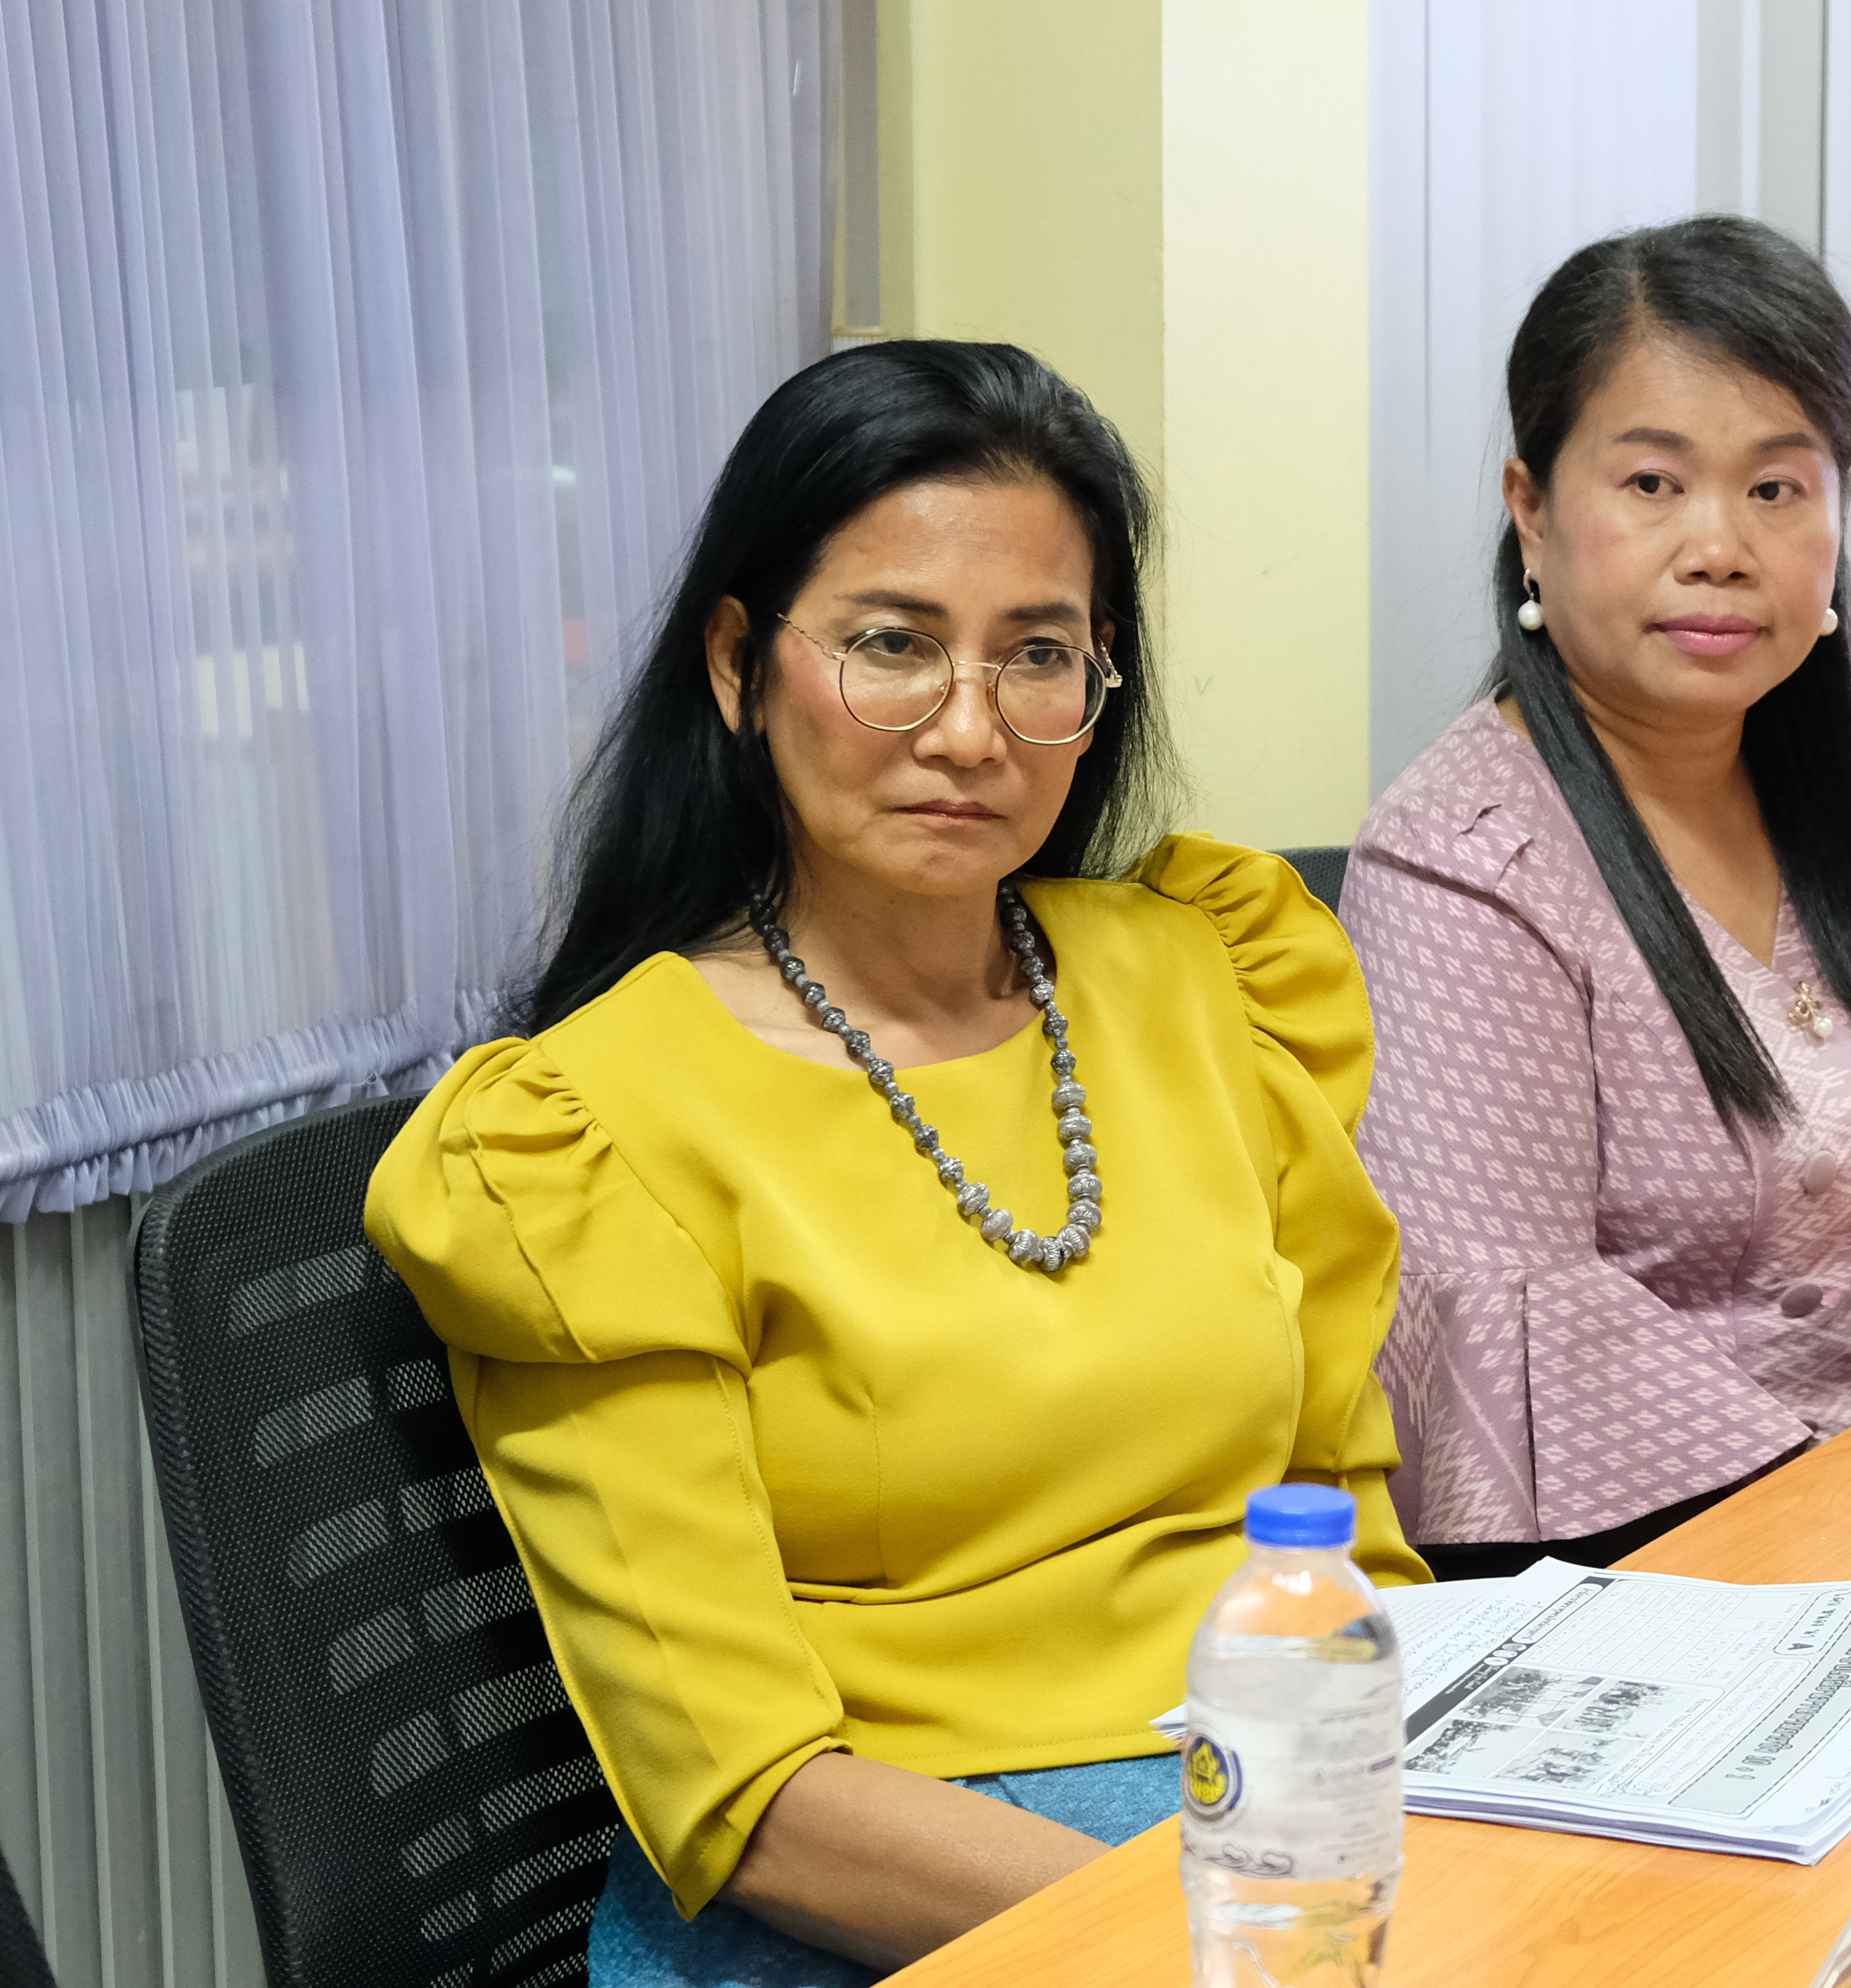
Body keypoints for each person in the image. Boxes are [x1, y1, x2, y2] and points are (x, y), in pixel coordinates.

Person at [364, 341, 1426, 1985]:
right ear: (739, 665)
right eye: (891, 646)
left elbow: (1339, 1524)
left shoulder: (1200, 976)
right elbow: (749, 1800)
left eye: (1038, 655)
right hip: (899, 1893)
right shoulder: (587, 1136)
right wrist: (1212, 1927)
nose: (971, 730)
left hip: (1269, 1807)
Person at [1343, 216, 1851, 1582]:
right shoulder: (1459, 864)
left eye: (1779, 489)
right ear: (1531, 510)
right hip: (1659, 1574)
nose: (1722, 547)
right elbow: (1511, 1367)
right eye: (1654, 484)